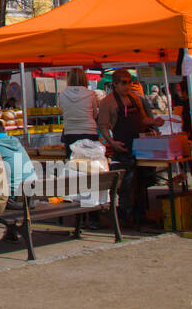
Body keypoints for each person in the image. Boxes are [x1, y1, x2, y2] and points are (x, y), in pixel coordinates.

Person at [97, 68, 164, 224]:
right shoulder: (108, 102)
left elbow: (144, 119)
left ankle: (140, 215)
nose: (128, 86)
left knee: (142, 183)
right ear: (115, 84)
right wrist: (112, 142)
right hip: (123, 148)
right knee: (126, 186)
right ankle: (125, 217)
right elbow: (103, 125)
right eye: (124, 83)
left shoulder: (136, 99)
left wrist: (154, 122)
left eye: (130, 83)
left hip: (141, 148)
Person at [58, 67, 101, 151]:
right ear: (84, 79)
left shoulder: (62, 94)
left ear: (69, 79)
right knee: (90, 162)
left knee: (73, 162)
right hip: (89, 132)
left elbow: (62, 112)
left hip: (70, 133)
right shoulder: (91, 94)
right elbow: (95, 115)